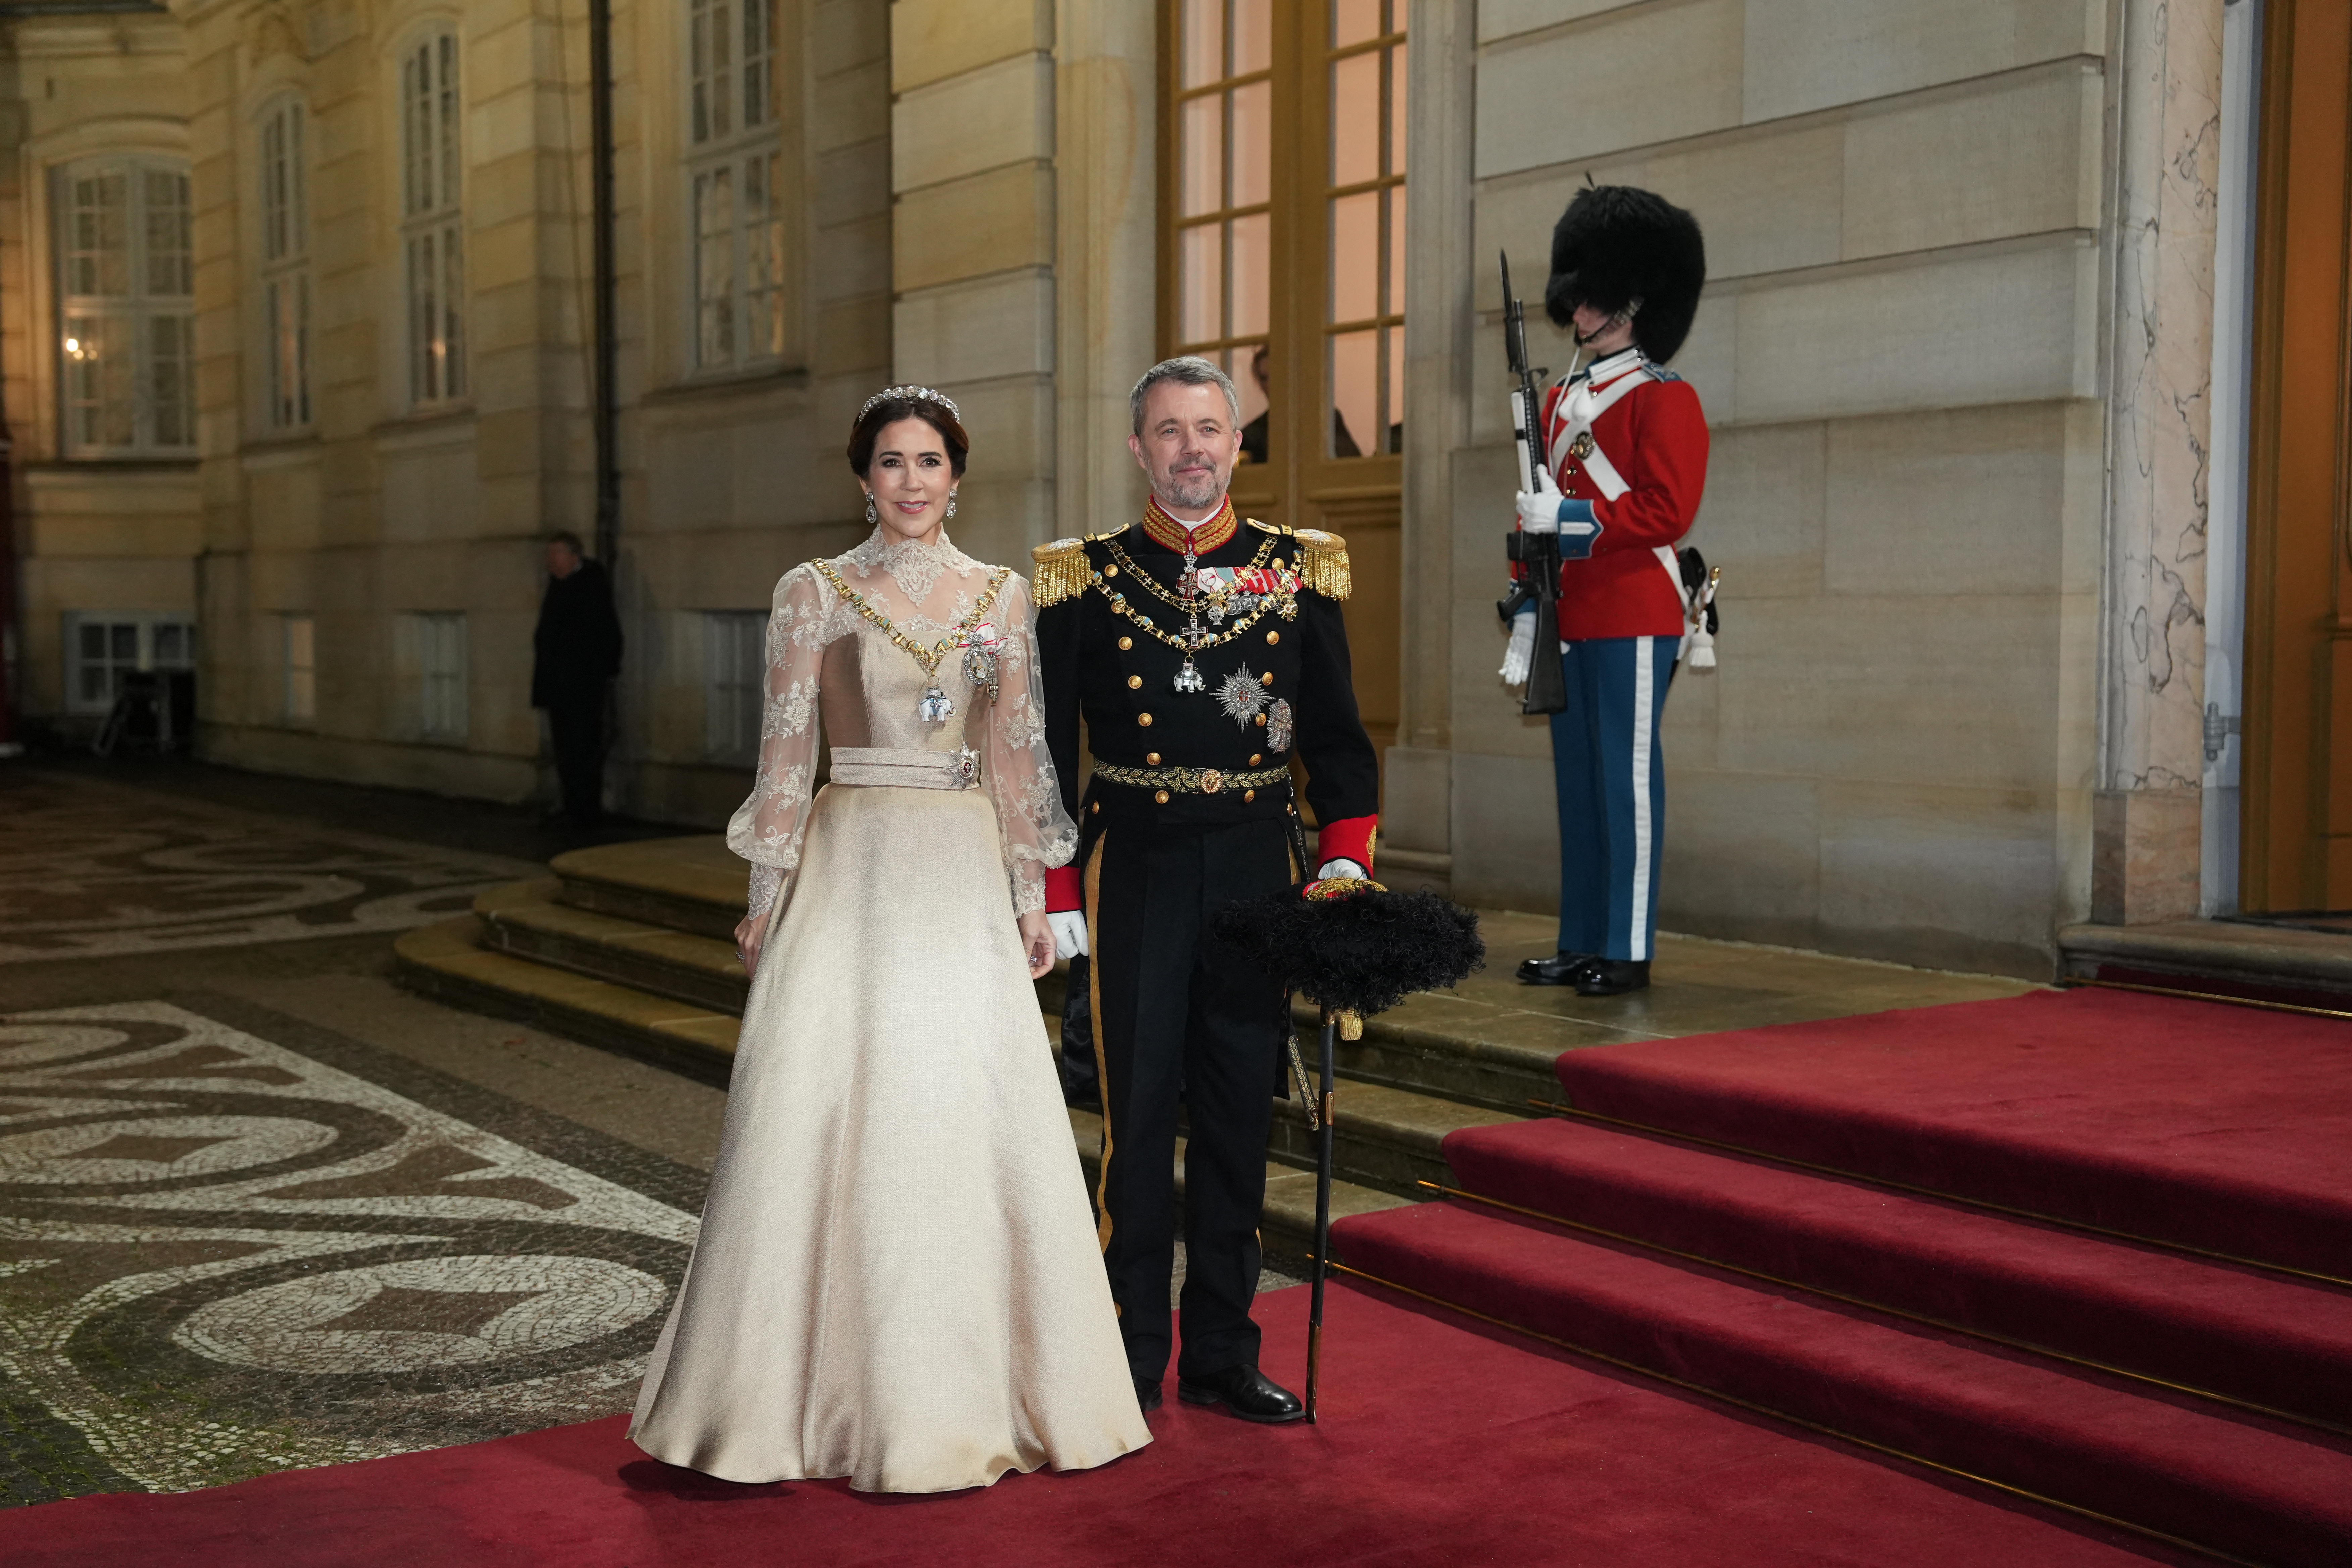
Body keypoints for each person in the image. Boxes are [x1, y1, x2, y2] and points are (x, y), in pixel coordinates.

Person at [629, 387, 1148, 1492]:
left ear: (957, 476)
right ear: (863, 477)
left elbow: (1020, 760)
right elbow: (784, 761)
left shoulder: (1003, 595)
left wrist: (1031, 897)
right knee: (820, 1110)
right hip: (851, 867)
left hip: (961, 871)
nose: (912, 481)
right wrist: (766, 894)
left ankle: (991, 1392)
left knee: (961, 1112)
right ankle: (781, 1397)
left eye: (929, 462)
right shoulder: (812, 591)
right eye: (891, 462)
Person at [1033, 355, 1380, 1424]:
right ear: (1137, 448)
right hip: (1132, 866)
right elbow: (1044, 755)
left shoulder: (1296, 571)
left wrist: (1344, 859)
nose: (1191, 449)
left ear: (1237, 443)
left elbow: (1336, 741)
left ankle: (1224, 1351)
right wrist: (1055, 890)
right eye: (1169, 431)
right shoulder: (1083, 579)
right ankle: (1130, 1350)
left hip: (1252, 869)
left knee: (1236, 1117)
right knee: (1136, 1122)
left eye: (1208, 429)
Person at [1501, 186, 1710, 997]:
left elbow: (1666, 511)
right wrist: (1526, 602)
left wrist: (1568, 518)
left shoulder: (1664, 396)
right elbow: (1532, 510)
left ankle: (1626, 946)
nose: (1577, 309)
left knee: (1626, 785)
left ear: (1631, 300)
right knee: (1581, 790)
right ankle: (1582, 938)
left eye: (1591, 295)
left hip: (1633, 611)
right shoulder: (1561, 400)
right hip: (1572, 612)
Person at [530, 531, 623, 829]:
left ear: (574, 557)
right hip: (560, 683)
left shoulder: (589, 586)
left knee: (583, 746)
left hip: (582, 684)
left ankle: (586, 809)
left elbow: (603, 636)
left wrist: (592, 674)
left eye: (556, 554)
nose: (551, 561)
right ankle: (572, 805)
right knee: (565, 748)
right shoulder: (559, 585)